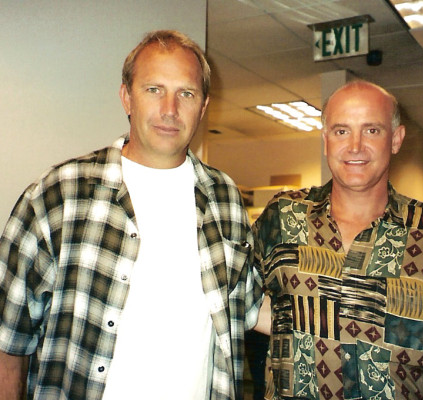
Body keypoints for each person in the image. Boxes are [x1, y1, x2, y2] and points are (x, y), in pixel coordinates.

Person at [0, 30, 263, 400]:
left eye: (186, 93)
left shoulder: (225, 200)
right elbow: (8, 339)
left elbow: (249, 308)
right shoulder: (59, 194)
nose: (170, 109)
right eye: (154, 90)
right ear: (127, 97)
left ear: (203, 106)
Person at [253, 80, 423, 399]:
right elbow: (234, 293)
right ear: (325, 140)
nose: (355, 146)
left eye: (371, 130)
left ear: (395, 139)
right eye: (341, 131)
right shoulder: (283, 217)